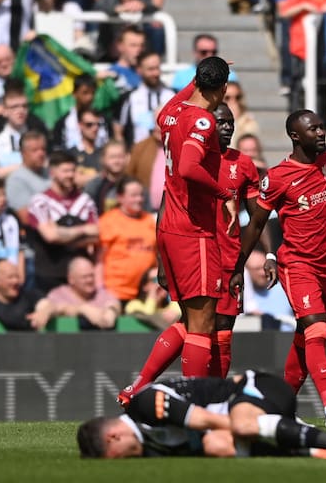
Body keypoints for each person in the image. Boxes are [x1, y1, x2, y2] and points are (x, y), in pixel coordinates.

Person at [229, 87, 326, 427]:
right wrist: (241, 265)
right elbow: (256, 224)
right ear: (296, 136)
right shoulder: (277, 178)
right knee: (317, 330)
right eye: (314, 129)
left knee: (303, 339)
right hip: (297, 264)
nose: (321, 133)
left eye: (323, 127)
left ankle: (279, 407)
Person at [116, 101, 260, 404]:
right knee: (200, 323)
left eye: (230, 122)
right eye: (220, 121)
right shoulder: (190, 162)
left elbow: (258, 217)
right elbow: (165, 209)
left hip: (229, 257)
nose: (226, 127)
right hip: (197, 252)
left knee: (216, 327)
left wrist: (262, 257)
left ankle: (152, 387)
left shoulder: (243, 164)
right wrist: (161, 261)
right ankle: (202, 399)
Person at [155, 56, 237, 378]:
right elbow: (189, 167)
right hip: (194, 228)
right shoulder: (203, 121)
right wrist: (225, 194)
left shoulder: (169, 114)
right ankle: (195, 403)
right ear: (224, 88)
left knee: (189, 319)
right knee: (202, 324)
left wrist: (207, 71)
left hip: (170, 223)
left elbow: (191, 92)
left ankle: (138, 387)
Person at [79, 370, 326, 459]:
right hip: (258, 415)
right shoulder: (150, 446)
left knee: (238, 426)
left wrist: (272, 426)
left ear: (113, 436)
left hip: (259, 388)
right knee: (216, 445)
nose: (125, 460)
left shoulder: (144, 405)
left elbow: (207, 420)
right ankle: (311, 453)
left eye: (116, 456)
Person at [27, 151, 99, 294]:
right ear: (52, 172)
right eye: (65, 171)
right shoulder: (40, 201)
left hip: (80, 277)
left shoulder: (85, 201)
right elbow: (50, 236)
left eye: (73, 170)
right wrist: (83, 230)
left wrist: (62, 236)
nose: (70, 175)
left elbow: (97, 234)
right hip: (49, 275)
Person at [98, 176, 156, 304]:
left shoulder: (150, 220)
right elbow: (99, 260)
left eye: (141, 195)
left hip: (145, 293)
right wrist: (99, 289)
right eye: (134, 195)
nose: (139, 199)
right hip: (114, 293)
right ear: (120, 197)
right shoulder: (108, 221)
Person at [117, 50, 175, 149]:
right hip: (138, 153)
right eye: (151, 69)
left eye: (157, 68)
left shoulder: (172, 95)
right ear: (139, 70)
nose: (156, 73)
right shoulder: (130, 97)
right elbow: (118, 131)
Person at [46, 256, 121, 330]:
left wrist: (112, 310)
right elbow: (54, 308)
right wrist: (82, 309)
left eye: (91, 275)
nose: (89, 280)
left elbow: (114, 302)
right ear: (71, 279)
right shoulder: (58, 294)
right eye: (84, 277)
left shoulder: (99, 293)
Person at [0, 259, 52, 331]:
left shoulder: (29, 295)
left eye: (17, 276)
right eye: (10, 277)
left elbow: (47, 304)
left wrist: (44, 312)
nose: (15, 281)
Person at [4, 130, 50, 226]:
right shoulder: (16, 180)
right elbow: (26, 218)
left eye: (43, 149)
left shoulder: (51, 173)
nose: (41, 154)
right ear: (23, 153)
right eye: (35, 150)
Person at [0, 175, 23, 288]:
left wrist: (19, 276)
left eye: (3, 194)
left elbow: (20, 250)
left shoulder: (11, 220)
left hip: (11, 282)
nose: (2, 199)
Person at [171, 34, 238, 91]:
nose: (210, 56)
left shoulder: (230, 75)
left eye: (213, 52)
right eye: (204, 52)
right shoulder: (181, 76)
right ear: (195, 52)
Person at [84, 140, 129, 215]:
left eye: (120, 157)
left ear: (127, 158)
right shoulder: (94, 186)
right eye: (112, 157)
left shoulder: (133, 184)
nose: (116, 161)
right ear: (103, 159)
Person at [67, 108, 105, 188]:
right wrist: (101, 176)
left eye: (98, 124)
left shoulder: (104, 152)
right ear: (80, 125)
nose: (95, 128)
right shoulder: (70, 154)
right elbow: (75, 180)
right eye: (89, 124)